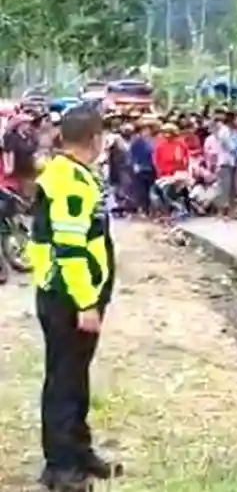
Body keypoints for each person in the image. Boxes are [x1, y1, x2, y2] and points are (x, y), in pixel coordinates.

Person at [27, 105, 121, 491]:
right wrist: (86, 302)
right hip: (67, 297)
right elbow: (69, 250)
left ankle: (79, 451)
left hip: (78, 295)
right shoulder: (67, 181)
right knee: (64, 380)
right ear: (95, 139)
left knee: (76, 377)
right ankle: (61, 468)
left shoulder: (77, 175)